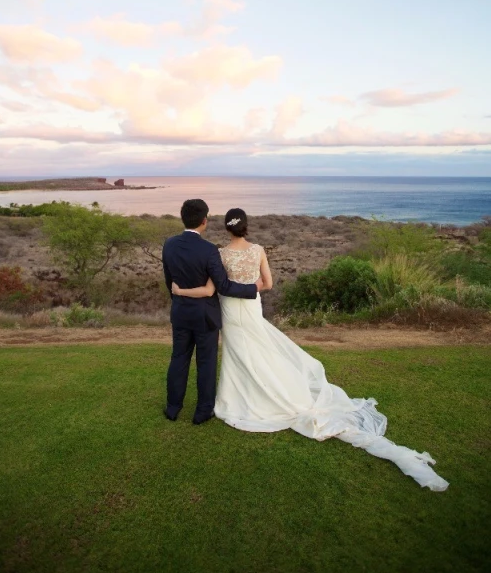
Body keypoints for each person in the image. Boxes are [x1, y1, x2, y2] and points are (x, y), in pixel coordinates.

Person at [172, 207, 449, 492]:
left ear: (227, 228)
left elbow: (215, 288)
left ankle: (241, 397)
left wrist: (183, 291)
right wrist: (252, 286)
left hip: (230, 310)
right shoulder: (258, 250)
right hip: (251, 307)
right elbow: (267, 284)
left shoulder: (218, 253)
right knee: (259, 349)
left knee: (237, 352)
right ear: (245, 226)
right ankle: (268, 391)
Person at [162, 199, 263, 425]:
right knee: (206, 363)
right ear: (204, 221)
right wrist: (253, 288)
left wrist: (180, 301)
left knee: (178, 358)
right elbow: (224, 286)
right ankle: (203, 411)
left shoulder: (169, 245)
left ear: (183, 218)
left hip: (180, 313)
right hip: (205, 316)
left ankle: (172, 407)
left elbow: (169, 282)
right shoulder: (209, 250)